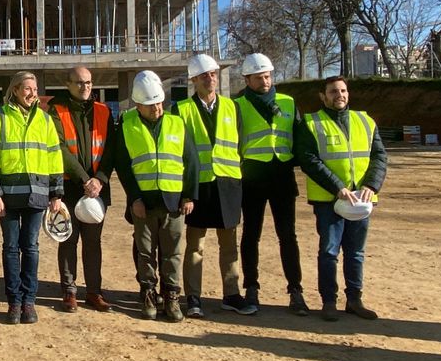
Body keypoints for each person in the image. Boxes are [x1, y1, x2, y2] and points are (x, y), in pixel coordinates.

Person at [295, 76, 388, 322]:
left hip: (361, 200)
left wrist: (371, 184)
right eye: (334, 91)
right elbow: (308, 160)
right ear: (323, 96)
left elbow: (379, 156)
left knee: (356, 252)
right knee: (329, 251)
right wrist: (337, 187)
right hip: (329, 200)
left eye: (343, 90)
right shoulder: (311, 123)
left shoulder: (365, 121)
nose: (340, 95)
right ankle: (329, 302)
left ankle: (354, 300)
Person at [0, 71, 65, 325]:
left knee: (31, 248)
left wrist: (56, 193)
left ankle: (29, 301)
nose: (32, 93)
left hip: (37, 194)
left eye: (35, 88)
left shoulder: (45, 120)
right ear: (15, 90)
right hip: (8, 195)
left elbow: (54, 156)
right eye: (27, 88)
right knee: (10, 248)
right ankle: (14, 302)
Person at [114, 70, 197, 322]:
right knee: (145, 252)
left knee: (172, 252)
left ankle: (171, 296)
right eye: (151, 105)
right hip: (144, 203)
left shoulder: (177, 123)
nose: (157, 108)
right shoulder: (127, 126)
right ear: (138, 104)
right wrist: (134, 199)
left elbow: (191, 161)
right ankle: (148, 292)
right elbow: (124, 166)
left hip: (174, 202)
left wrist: (189, 196)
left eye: (160, 102)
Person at [236, 53, 309, 316]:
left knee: (287, 235)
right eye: (259, 78)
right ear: (247, 79)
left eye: (268, 76)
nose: (265, 81)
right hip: (252, 176)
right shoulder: (238, 105)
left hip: (282, 175)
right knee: (251, 235)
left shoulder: (288, 102)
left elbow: (300, 139)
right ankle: (251, 288)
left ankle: (296, 291)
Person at [174, 54, 244, 320]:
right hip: (198, 187)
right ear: (193, 80)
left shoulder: (231, 107)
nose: (210, 78)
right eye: (204, 75)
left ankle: (231, 294)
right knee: (195, 246)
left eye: (213, 73)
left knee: (229, 246)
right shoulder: (181, 110)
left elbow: (240, 146)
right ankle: (193, 297)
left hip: (227, 185)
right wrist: (185, 192)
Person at [47, 66, 115, 313]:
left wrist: (100, 180)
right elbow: (59, 148)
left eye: (88, 82)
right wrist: (86, 179)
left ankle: (94, 292)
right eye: (79, 83)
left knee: (93, 242)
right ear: (68, 84)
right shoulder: (57, 110)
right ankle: (69, 291)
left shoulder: (103, 111)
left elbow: (110, 150)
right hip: (70, 187)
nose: (85, 87)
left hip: (97, 189)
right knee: (68, 239)